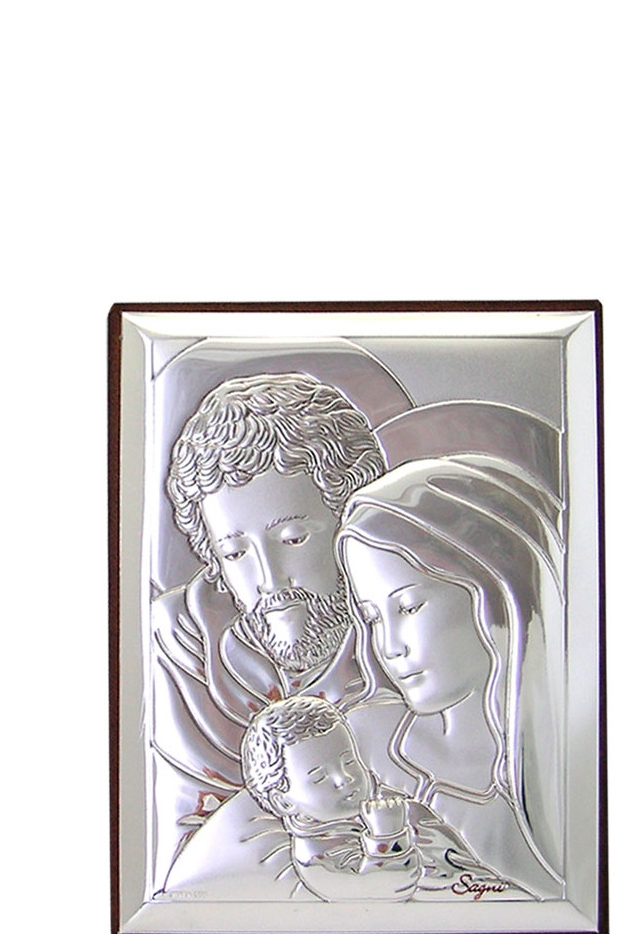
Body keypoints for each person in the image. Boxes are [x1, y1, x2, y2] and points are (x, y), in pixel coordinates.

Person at [150, 371, 403, 894]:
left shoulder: (411, 632)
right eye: (235, 553)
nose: (270, 581)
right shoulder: (185, 644)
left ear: (350, 523)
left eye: (292, 538)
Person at [337, 453, 566, 898]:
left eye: (409, 607)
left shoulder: (558, 772)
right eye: (373, 617)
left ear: (493, 592)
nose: (390, 646)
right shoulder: (354, 748)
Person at [239, 696, 514, 902]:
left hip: (482, 890)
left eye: (349, 761)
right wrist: (387, 836)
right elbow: (380, 893)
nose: (344, 778)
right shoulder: (318, 858)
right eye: (320, 777)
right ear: (284, 802)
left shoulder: (390, 803)